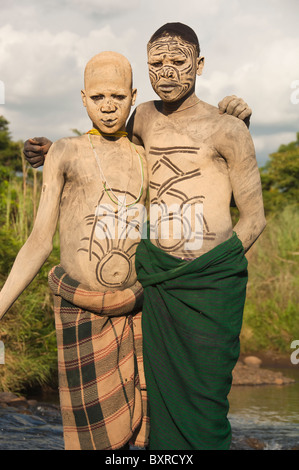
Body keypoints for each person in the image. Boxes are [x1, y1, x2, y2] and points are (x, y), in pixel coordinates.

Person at [23, 23, 259, 451]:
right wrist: (54, 149)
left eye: (178, 62)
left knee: (204, 399)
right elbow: (103, 142)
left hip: (209, 285)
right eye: (156, 64)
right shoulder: (144, 116)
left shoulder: (228, 127)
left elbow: (254, 219)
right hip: (158, 282)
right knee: (160, 404)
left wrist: (210, 271)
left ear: (200, 65)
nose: (167, 72)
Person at [0, 51, 149, 450]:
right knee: (91, 437)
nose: (108, 106)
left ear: (133, 96)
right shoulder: (66, 151)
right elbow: (38, 240)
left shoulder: (145, 155)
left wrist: (234, 118)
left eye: (118, 96)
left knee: (143, 434)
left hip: (137, 309)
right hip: (79, 312)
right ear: (83, 98)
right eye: (98, 97)